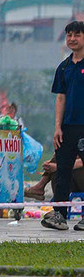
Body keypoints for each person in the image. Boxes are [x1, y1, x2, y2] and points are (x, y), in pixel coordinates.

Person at [42, 19, 84, 232]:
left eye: (77, 35)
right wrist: (57, 127)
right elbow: (60, 98)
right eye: (69, 35)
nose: (72, 39)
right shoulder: (64, 67)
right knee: (63, 171)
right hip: (68, 127)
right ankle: (59, 214)